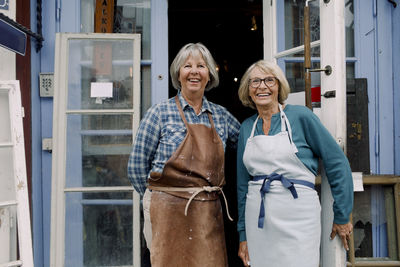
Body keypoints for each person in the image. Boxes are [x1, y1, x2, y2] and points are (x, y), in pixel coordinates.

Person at [127, 42, 240, 267]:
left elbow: (249, 148)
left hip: (207, 212)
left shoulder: (222, 116)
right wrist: (157, 198)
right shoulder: (159, 113)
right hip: (166, 211)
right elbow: (137, 166)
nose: (194, 72)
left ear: (210, 75)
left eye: (201, 66)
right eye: (187, 66)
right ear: (178, 74)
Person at [236, 60, 354, 267]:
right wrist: (243, 234)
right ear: (248, 90)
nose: (262, 86)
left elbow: (337, 163)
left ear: (279, 86)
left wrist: (342, 215)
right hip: (259, 220)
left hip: (299, 217)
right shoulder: (247, 127)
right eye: (255, 81)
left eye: (269, 80)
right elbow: (242, 185)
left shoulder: (301, 117)